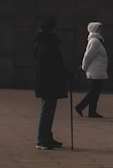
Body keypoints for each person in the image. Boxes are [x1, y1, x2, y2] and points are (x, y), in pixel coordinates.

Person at [33, 16, 71, 150]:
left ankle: (47, 137)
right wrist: (68, 75)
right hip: (50, 82)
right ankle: (42, 139)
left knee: (48, 110)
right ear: (52, 29)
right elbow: (56, 64)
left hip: (44, 82)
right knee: (47, 111)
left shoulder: (40, 42)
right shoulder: (50, 44)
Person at [75, 21, 108, 118]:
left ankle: (91, 111)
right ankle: (82, 107)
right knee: (94, 91)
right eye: (99, 28)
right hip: (95, 71)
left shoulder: (96, 41)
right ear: (95, 29)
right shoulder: (95, 41)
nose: (101, 30)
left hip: (97, 71)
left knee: (95, 92)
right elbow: (88, 56)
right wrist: (84, 67)